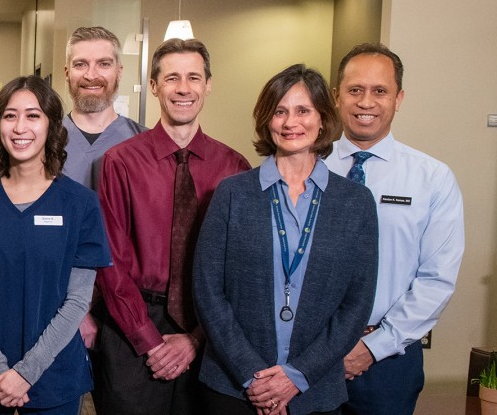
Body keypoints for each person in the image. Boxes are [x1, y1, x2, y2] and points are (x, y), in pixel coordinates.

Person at [193, 64, 378, 415]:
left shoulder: (356, 203)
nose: (291, 122)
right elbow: (208, 291)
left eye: (303, 110)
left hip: (315, 392)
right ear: (267, 120)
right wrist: (254, 377)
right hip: (232, 389)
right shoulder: (232, 194)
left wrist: (297, 375)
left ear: (323, 118)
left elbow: (356, 305)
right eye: (280, 111)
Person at [90, 38, 250, 415]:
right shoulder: (120, 162)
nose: (183, 88)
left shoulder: (235, 168)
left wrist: (195, 340)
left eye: (194, 77)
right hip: (132, 324)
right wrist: (150, 340)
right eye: (172, 77)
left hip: (210, 327)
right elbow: (111, 261)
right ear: (154, 85)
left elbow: (239, 269)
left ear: (208, 84)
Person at [0, 75, 112, 415]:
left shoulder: (80, 205)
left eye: (33, 115)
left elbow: (78, 300)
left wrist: (26, 373)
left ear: (51, 124)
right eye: (10, 116)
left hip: (53, 374)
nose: (20, 127)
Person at [323, 43, 464, 415]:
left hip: (388, 361)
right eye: (355, 90)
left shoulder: (432, 178)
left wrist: (373, 347)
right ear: (337, 97)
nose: (366, 102)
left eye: (380, 91)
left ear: (398, 98)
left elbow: (436, 280)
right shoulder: (306, 169)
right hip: (308, 353)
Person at [59, 26, 145, 190]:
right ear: (67, 72)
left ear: (119, 72)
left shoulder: (144, 142)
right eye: (80, 64)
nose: (91, 75)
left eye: (104, 64)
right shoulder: (44, 140)